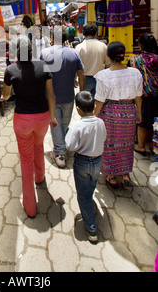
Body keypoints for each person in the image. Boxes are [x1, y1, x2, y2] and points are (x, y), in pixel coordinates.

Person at [0, 35, 57, 218]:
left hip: (23, 120)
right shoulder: (44, 66)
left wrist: (3, 98)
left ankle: (30, 207)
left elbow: (7, 96)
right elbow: (51, 96)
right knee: (38, 145)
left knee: (26, 160)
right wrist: (52, 116)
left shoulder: (10, 70)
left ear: (16, 52)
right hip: (42, 118)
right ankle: (40, 177)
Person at [94, 41, 143, 189]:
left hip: (110, 114)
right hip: (129, 111)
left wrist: (92, 117)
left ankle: (111, 174)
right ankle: (126, 173)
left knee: (109, 144)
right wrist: (139, 113)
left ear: (108, 56)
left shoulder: (103, 76)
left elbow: (100, 101)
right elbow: (138, 97)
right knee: (127, 144)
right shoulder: (135, 73)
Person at [65, 91, 107, 243]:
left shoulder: (77, 126)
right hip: (97, 161)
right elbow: (104, 138)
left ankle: (91, 228)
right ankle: (91, 206)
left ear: (78, 109)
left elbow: (69, 145)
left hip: (82, 162)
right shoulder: (101, 122)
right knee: (91, 185)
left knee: (82, 195)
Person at [41, 27, 85, 168]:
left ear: (53, 37)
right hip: (68, 96)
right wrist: (82, 93)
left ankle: (60, 152)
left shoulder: (44, 53)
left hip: (50, 97)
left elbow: (39, 74)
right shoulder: (74, 53)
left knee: (55, 124)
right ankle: (62, 148)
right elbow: (81, 75)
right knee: (64, 124)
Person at [130, 33, 158, 156]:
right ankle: (153, 145)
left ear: (141, 45)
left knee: (142, 120)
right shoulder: (157, 57)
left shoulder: (136, 60)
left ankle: (141, 146)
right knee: (155, 120)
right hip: (157, 94)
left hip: (142, 94)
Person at [76, 24, 109, 97]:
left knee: (86, 103)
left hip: (84, 79)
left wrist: (75, 78)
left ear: (83, 34)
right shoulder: (103, 46)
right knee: (98, 103)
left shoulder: (79, 47)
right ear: (95, 33)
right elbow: (108, 64)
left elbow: (77, 67)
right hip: (100, 79)